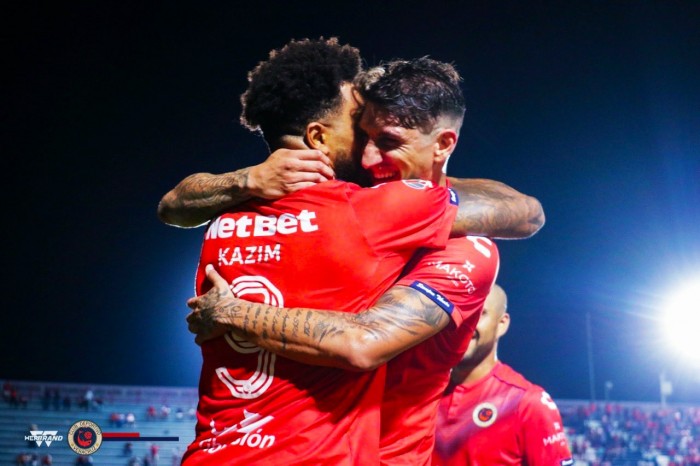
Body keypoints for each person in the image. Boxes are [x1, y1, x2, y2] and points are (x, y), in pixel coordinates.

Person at [161, 38, 543, 465]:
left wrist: (234, 309)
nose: (367, 156)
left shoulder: (223, 217)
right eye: (361, 131)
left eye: (385, 140)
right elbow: (525, 212)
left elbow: (171, 205)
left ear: (442, 143)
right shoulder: (365, 210)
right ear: (318, 137)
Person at [432, 284, 573, 465]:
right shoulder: (421, 391)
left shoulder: (527, 402)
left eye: (478, 313)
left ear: (502, 324)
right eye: (458, 312)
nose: (464, 322)